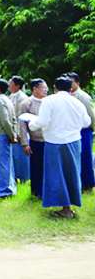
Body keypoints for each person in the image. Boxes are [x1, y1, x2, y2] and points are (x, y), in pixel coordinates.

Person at [29, 76, 91, 218]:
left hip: (54, 142)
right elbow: (86, 122)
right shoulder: (77, 102)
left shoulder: (49, 101)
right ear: (70, 88)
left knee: (56, 174)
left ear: (55, 87)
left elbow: (42, 121)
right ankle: (69, 206)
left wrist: (31, 124)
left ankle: (64, 208)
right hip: (73, 141)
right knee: (72, 173)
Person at [0, 79, 18, 198]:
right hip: (5, 135)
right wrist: (13, 134)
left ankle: (1, 190)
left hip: (0, 135)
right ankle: (7, 188)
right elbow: (13, 119)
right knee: (6, 163)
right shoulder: (7, 100)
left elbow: (5, 120)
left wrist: (11, 135)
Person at [67, 72, 95, 192]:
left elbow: (91, 115)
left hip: (84, 130)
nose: (69, 84)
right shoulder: (68, 95)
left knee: (85, 157)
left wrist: (92, 128)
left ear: (77, 83)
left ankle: (88, 184)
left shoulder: (83, 96)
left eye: (71, 82)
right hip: (72, 131)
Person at [19, 78, 47, 199]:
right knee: (36, 167)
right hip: (35, 140)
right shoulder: (26, 103)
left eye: (46, 88)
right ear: (35, 89)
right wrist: (25, 143)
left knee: (48, 167)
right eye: (43, 88)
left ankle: (47, 191)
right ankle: (36, 192)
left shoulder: (48, 102)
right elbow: (22, 125)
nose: (45, 90)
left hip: (49, 140)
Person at [8, 76, 31, 183]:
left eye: (11, 84)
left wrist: (18, 133)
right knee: (14, 156)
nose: (9, 85)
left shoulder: (22, 98)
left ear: (17, 86)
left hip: (20, 131)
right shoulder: (11, 96)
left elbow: (20, 118)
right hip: (13, 130)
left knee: (21, 156)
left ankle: (24, 178)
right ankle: (16, 177)